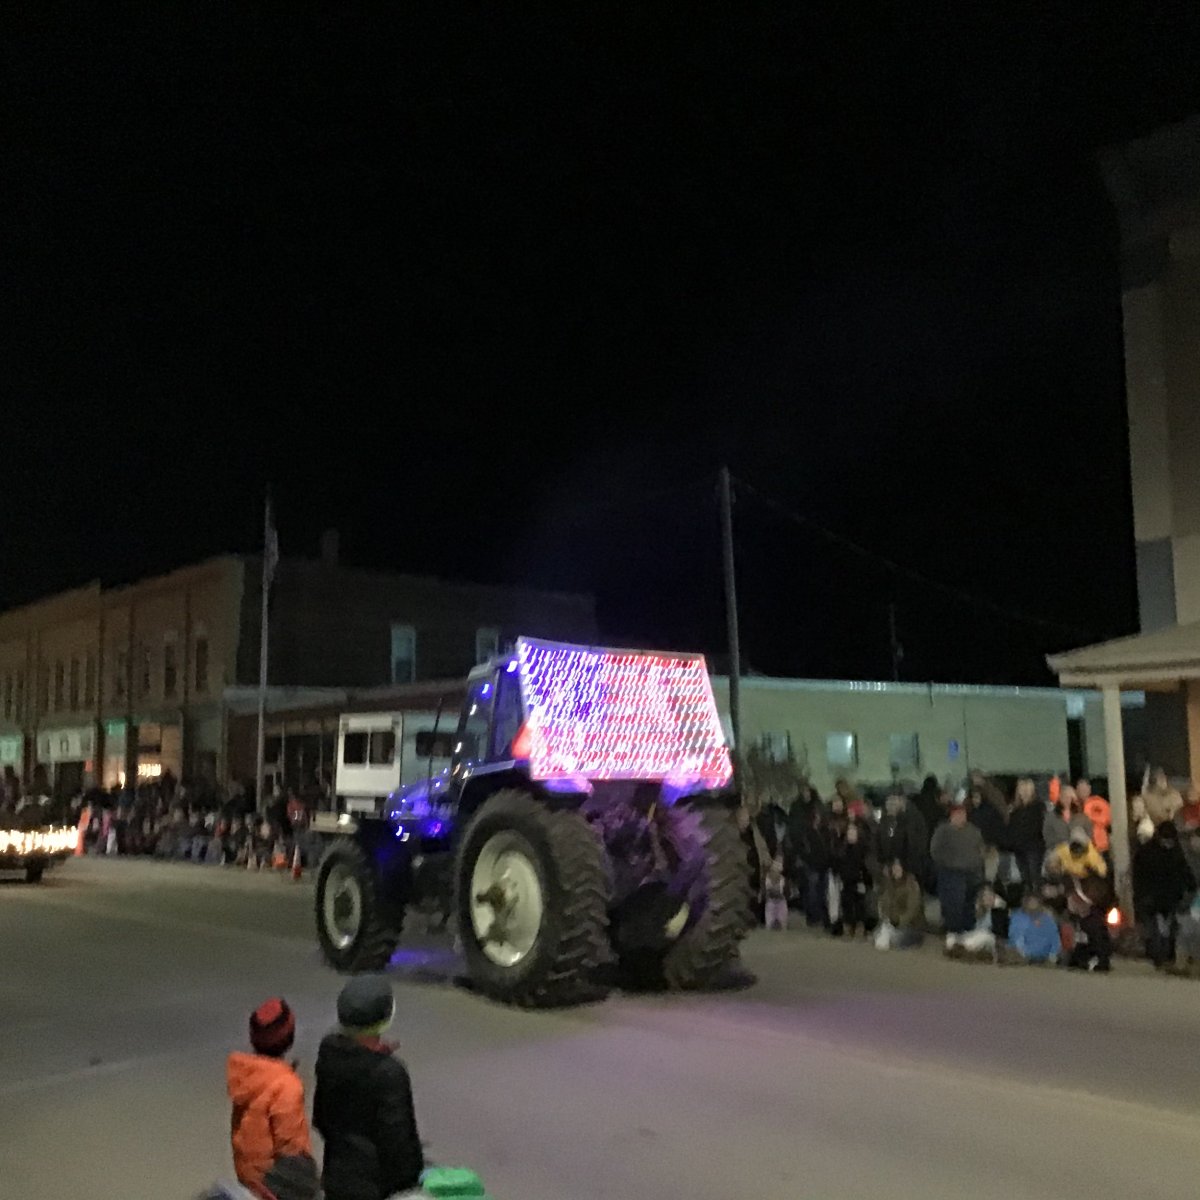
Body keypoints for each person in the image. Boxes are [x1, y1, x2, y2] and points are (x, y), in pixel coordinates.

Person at [315, 975, 424, 1200]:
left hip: (336, 1178)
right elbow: (399, 1147)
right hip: (375, 1189)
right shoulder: (390, 1074)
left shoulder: (328, 1053)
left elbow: (321, 1119)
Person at [227, 998, 312, 1197]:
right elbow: (292, 1147)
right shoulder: (285, 1086)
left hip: (250, 1179)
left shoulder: (248, 1076)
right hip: (274, 1186)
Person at [1133, 820, 1196, 968]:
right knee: (1155, 929)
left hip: (1171, 898)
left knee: (1170, 929)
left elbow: (1184, 871)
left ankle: (1168, 956)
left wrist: (1191, 886)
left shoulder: (1175, 852)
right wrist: (1141, 896)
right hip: (1152, 898)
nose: (1168, 843)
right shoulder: (1147, 853)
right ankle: (1158, 956)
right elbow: (1139, 877)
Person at [930, 797, 985, 943]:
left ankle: (968, 932)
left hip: (971, 873)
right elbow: (935, 851)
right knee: (953, 904)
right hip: (951, 873)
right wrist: (948, 863)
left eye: (963, 814)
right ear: (952, 816)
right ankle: (953, 932)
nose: (961, 817)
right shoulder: (943, 831)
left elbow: (981, 850)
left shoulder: (974, 831)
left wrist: (978, 865)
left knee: (969, 904)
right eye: (958, 814)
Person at [875, 792, 928, 881]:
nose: (890, 806)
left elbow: (914, 845)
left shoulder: (913, 818)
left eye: (893, 803)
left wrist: (901, 863)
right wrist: (884, 863)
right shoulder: (885, 820)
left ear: (901, 802)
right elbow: (880, 842)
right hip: (890, 867)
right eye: (888, 803)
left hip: (909, 868)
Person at [833, 821, 873, 938]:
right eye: (849, 832)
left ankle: (860, 927)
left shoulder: (863, 849)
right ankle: (847, 926)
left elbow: (866, 867)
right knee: (846, 903)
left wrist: (863, 881)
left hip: (859, 881)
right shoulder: (843, 849)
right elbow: (839, 864)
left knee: (860, 904)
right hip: (846, 881)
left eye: (853, 831)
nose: (851, 834)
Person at [874, 860, 924, 950]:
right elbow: (884, 902)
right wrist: (887, 918)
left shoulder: (912, 884)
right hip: (893, 921)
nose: (896, 871)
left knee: (900, 939)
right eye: (894, 869)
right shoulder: (889, 883)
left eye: (898, 869)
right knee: (876, 934)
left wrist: (899, 921)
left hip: (910, 923)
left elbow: (913, 909)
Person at [1007, 778, 1045, 889]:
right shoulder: (1015, 809)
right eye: (1021, 789)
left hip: (1033, 847)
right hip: (1019, 848)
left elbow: (1037, 827)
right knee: (1025, 878)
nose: (1024, 792)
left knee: (1034, 877)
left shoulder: (1038, 806)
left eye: (1026, 789)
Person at [1007, 891, 1061, 964]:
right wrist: (1022, 951)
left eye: (1035, 901)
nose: (1032, 903)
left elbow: (1054, 937)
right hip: (1022, 955)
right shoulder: (1017, 917)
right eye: (1030, 901)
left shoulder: (1046, 918)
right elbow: (1015, 936)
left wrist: (1053, 953)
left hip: (1044, 955)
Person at [1077, 779, 1111, 856]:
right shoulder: (1075, 806)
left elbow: (1107, 819)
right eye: (1080, 790)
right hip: (1082, 845)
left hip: (1099, 844)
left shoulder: (1098, 802)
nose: (1082, 792)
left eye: (1084, 789)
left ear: (1089, 788)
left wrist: (1090, 818)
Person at [763, 855, 789, 931]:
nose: (775, 873)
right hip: (771, 901)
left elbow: (786, 892)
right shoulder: (767, 879)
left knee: (783, 921)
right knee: (769, 921)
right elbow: (766, 891)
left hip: (781, 902)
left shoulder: (783, 880)